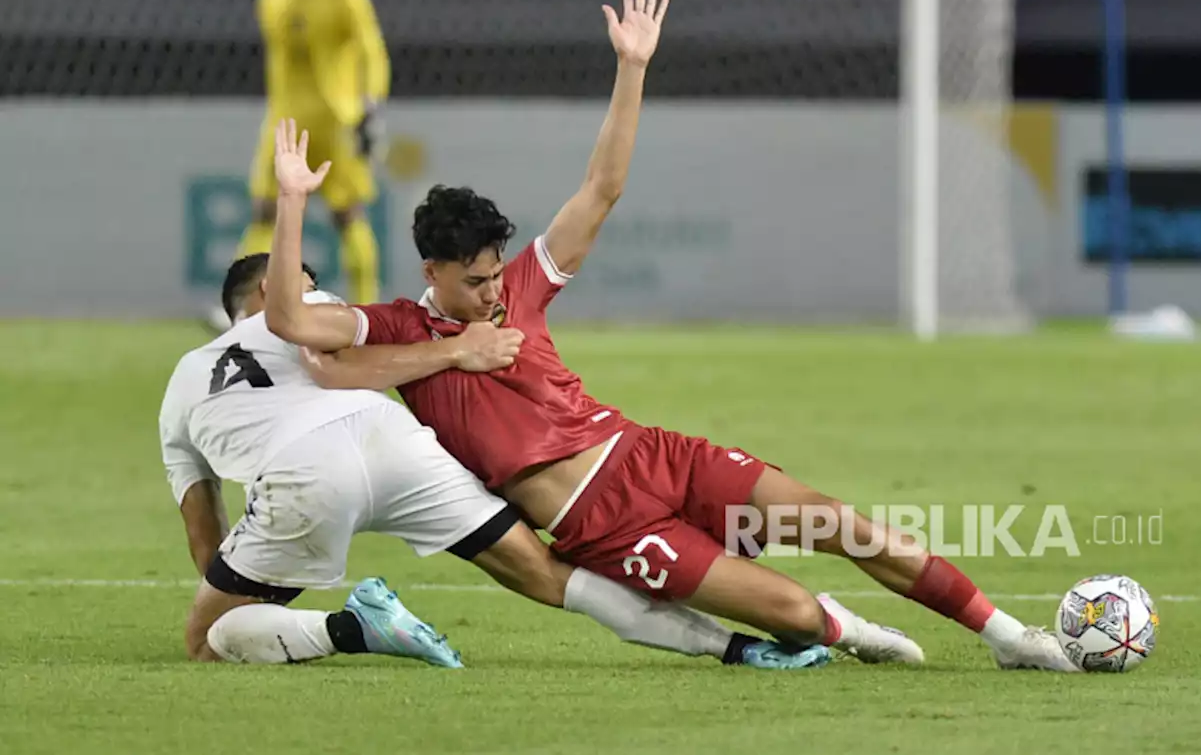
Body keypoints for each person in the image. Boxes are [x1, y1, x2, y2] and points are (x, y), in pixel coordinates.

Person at [260, 0, 930, 666]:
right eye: (474, 279)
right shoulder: (396, 327)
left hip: (635, 459)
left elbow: (601, 188)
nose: (493, 290)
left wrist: (632, 67)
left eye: (496, 273)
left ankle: (867, 625)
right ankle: (799, 635)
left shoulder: (519, 286)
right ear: (432, 272)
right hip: (574, 517)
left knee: (819, 524)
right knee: (739, 604)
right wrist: (291, 201)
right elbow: (287, 318)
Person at [162, 253, 831, 669]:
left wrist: (242, 583)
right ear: (273, 299)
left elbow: (202, 539)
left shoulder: (186, 380)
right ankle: (736, 647)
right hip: (397, 443)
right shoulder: (321, 307)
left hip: (302, 473)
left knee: (208, 633)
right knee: (547, 574)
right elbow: (355, 361)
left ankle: (352, 627)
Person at [236, 0, 387, 306]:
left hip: (335, 122)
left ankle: (366, 309)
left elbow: (371, 52)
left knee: (347, 214)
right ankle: (243, 310)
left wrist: (370, 104)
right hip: (284, 123)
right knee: (264, 212)